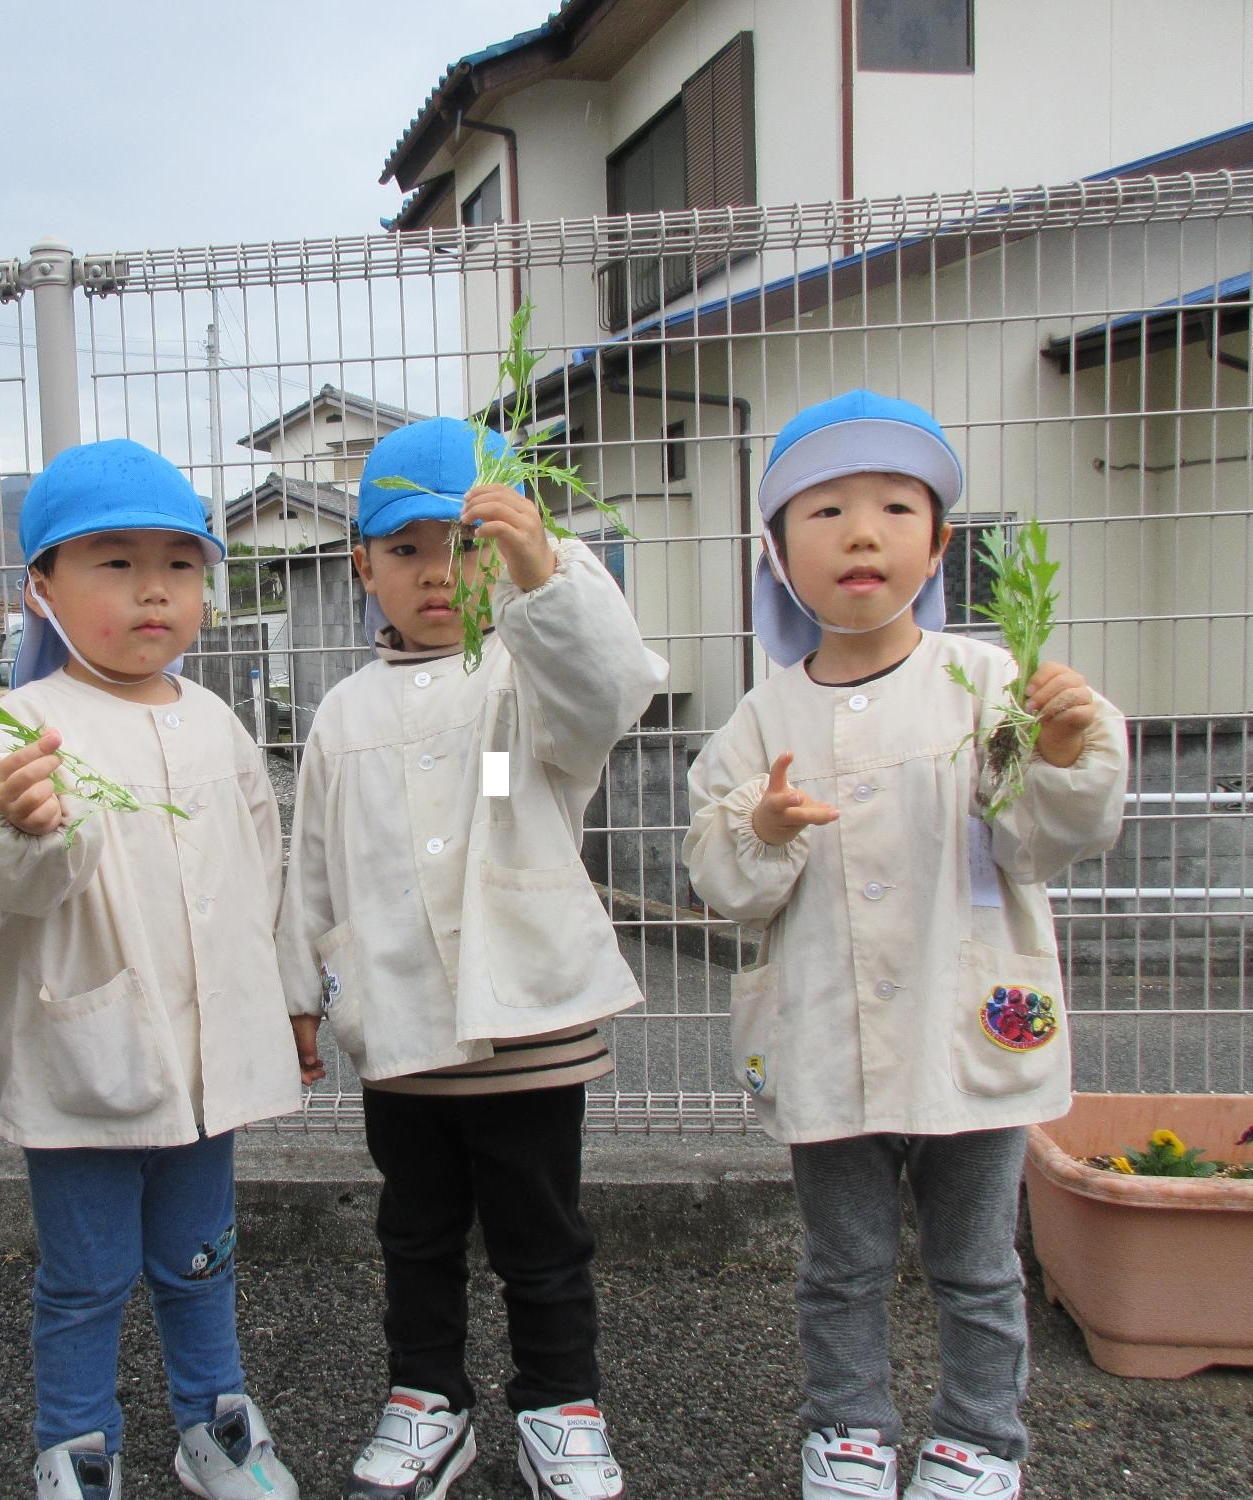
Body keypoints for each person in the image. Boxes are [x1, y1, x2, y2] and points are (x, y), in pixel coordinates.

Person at [680, 390, 1128, 1500]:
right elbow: (714, 868)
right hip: (823, 1033)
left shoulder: (986, 685)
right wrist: (762, 829)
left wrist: (1065, 750)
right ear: (777, 553)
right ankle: (847, 1432)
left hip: (961, 1021)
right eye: (823, 511)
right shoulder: (758, 718)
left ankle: (980, 1439)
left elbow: (1043, 839)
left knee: (976, 1264)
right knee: (839, 1265)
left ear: (936, 546)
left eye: (892, 506)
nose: (861, 532)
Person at [278, 417, 665, 1500]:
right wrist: (297, 993)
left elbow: (607, 687)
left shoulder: (524, 674)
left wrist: (544, 574)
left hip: (527, 1023)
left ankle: (560, 1403)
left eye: (461, 546)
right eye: (404, 549)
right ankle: (426, 1400)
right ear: (361, 564)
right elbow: (310, 861)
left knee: (542, 1238)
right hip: (398, 1030)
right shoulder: (341, 714)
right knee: (414, 1233)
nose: (435, 573)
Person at [0, 438, 303, 1500]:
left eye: (179, 565)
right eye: (112, 562)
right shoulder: (19, 727)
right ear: (39, 589)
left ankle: (214, 1420)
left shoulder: (218, 723)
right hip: (82, 1057)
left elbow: (261, 872)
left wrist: (287, 1001)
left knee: (201, 1259)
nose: (152, 590)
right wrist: (16, 822)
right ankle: (76, 1445)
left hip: (209, 1062)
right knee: (85, 1277)